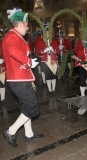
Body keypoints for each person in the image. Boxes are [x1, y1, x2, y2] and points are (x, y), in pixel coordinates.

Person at [2, 8, 43, 147]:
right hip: (19, 79)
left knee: (26, 107)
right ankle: (11, 131)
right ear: (21, 24)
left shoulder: (15, 36)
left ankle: (29, 134)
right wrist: (29, 62)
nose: (27, 28)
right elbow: (13, 51)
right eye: (26, 25)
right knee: (33, 108)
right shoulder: (12, 36)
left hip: (21, 78)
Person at [35, 23, 60, 96]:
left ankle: (53, 89)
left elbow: (58, 51)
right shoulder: (41, 41)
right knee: (48, 76)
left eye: (49, 32)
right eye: (46, 32)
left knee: (54, 75)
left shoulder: (54, 41)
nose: (48, 33)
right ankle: (49, 90)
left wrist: (53, 50)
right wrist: (44, 50)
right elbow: (37, 51)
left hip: (53, 60)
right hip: (45, 61)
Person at [0, 31, 6, 105]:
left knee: (2, 83)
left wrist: (3, 59)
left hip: (1, 67)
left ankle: (3, 98)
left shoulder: (2, 44)